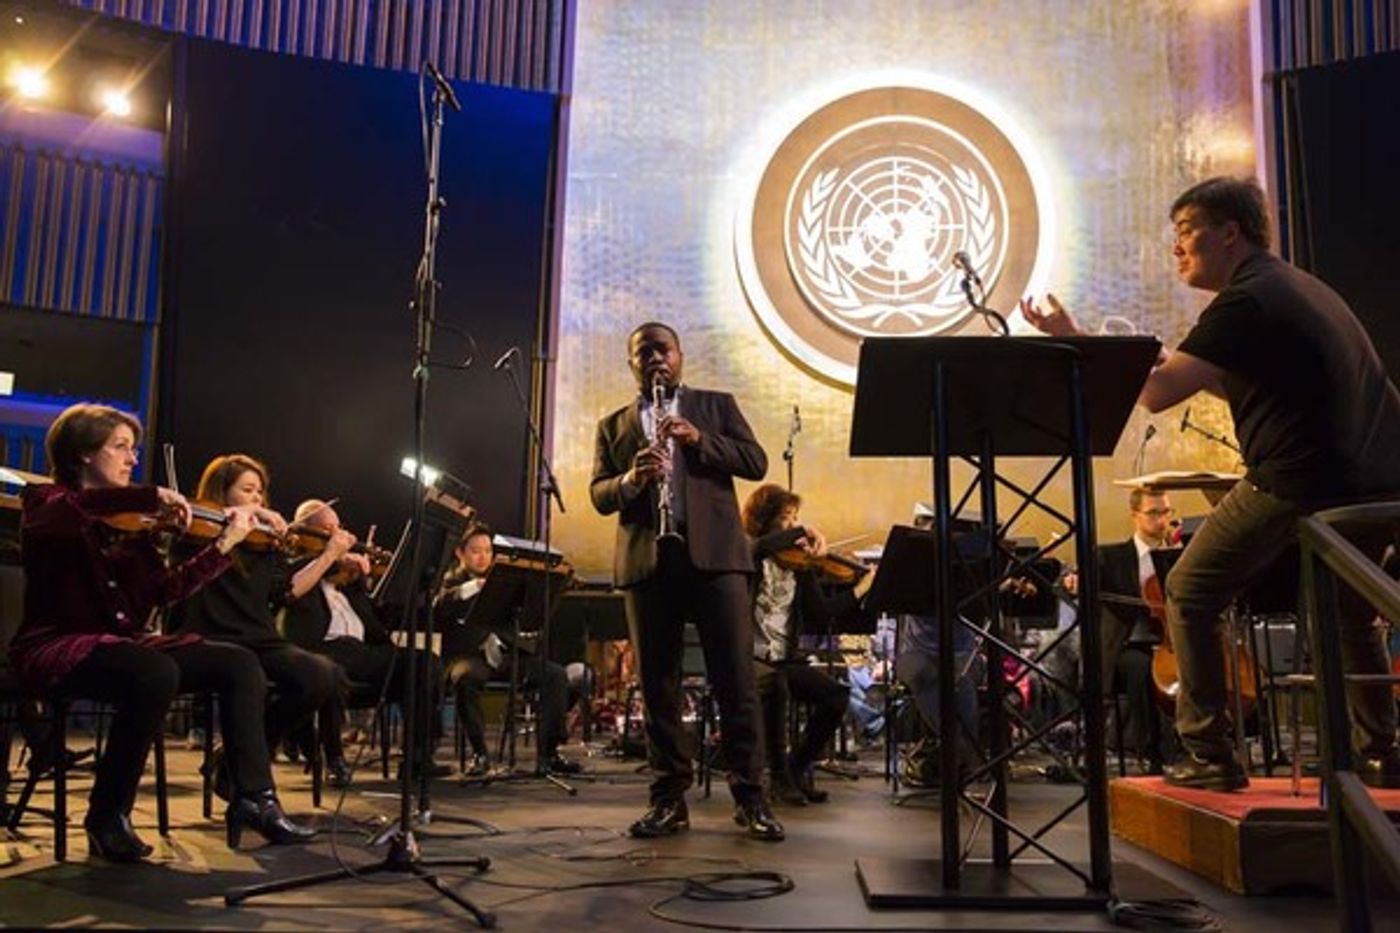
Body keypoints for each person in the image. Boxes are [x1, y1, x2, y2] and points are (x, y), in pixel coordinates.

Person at [1022, 176, 1400, 791]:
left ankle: (1211, 756)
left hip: (1300, 479)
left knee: (1191, 589)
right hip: (1377, 479)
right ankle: (1379, 750)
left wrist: (1069, 338)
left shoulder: (1245, 300)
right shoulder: (1292, 287)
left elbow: (1155, 391)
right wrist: (1080, 331)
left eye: (1185, 231)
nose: (1177, 248)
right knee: (1346, 615)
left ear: (1231, 233)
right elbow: (1222, 379)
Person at [8, 404, 314, 860]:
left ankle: (254, 798)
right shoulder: (47, 504)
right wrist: (149, 495)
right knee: (153, 671)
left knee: (238, 662)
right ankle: (108, 814)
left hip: (124, 645)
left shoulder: (137, 529)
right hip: (57, 645)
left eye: (134, 448)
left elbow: (164, 592)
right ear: (83, 454)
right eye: (121, 447)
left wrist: (222, 545)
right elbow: (73, 510)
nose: (132, 458)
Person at [590, 322, 782, 840]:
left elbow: (755, 460)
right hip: (648, 564)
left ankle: (750, 799)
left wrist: (699, 440)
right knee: (659, 688)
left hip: (717, 560)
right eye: (642, 352)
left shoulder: (716, 406)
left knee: (736, 682)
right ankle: (668, 800)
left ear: (679, 356)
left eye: (662, 349)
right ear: (631, 363)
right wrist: (632, 479)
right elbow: (599, 494)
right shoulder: (613, 425)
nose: (654, 358)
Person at [168, 455, 343, 793]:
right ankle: (251, 787)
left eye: (260, 493)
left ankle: (230, 760)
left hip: (258, 638)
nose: (257, 499)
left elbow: (287, 591)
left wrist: (328, 556)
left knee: (320, 675)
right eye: (247, 490)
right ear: (221, 492)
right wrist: (234, 529)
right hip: (206, 635)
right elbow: (180, 577)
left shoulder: (264, 544)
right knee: (247, 671)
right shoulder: (195, 530)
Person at [283, 499, 448, 785]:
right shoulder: (294, 569)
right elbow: (291, 585)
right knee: (330, 668)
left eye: (338, 528)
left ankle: (418, 758)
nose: (336, 536)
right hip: (322, 651)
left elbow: (377, 624)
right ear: (305, 533)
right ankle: (334, 759)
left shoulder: (349, 579)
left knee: (425, 663)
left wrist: (375, 583)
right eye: (326, 529)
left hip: (361, 653)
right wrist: (329, 559)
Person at [743, 483, 868, 805]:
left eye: (796, 517)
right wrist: (806, 529)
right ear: (764, 518)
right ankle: (780, 778)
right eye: (786, 517)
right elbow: (757, 548)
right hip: (747, 658)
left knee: (836, 696)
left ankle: (793, 770)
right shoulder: (745, 552)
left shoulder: (799, 566)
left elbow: (823, 614)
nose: (792, 525)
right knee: (775, 684)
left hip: (783, 658)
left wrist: (859, 589)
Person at [433, 523, 579, 776]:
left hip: (505, 655)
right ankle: (480, 754)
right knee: (465, 678)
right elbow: (439, 604)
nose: (483, 557)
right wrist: (474, 587)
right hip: (470, 656)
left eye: (488, 551)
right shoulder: (451, 580)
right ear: (461, 553)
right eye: (476, 551)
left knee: (554, 675)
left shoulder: (503, 579)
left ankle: (549, 753)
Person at [1070, 489, 1177, 774]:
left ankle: (1200, 747)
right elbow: (1085, 584)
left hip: (1172, 641)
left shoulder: (1182, 558)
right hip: (1127, 643)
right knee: (1142, 670)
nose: (1162, 520)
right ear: (1135, 515)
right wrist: (1076, 582)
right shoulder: (1110, 557)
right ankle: (1151, 751)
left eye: (1167, 512)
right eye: (1154, 513)